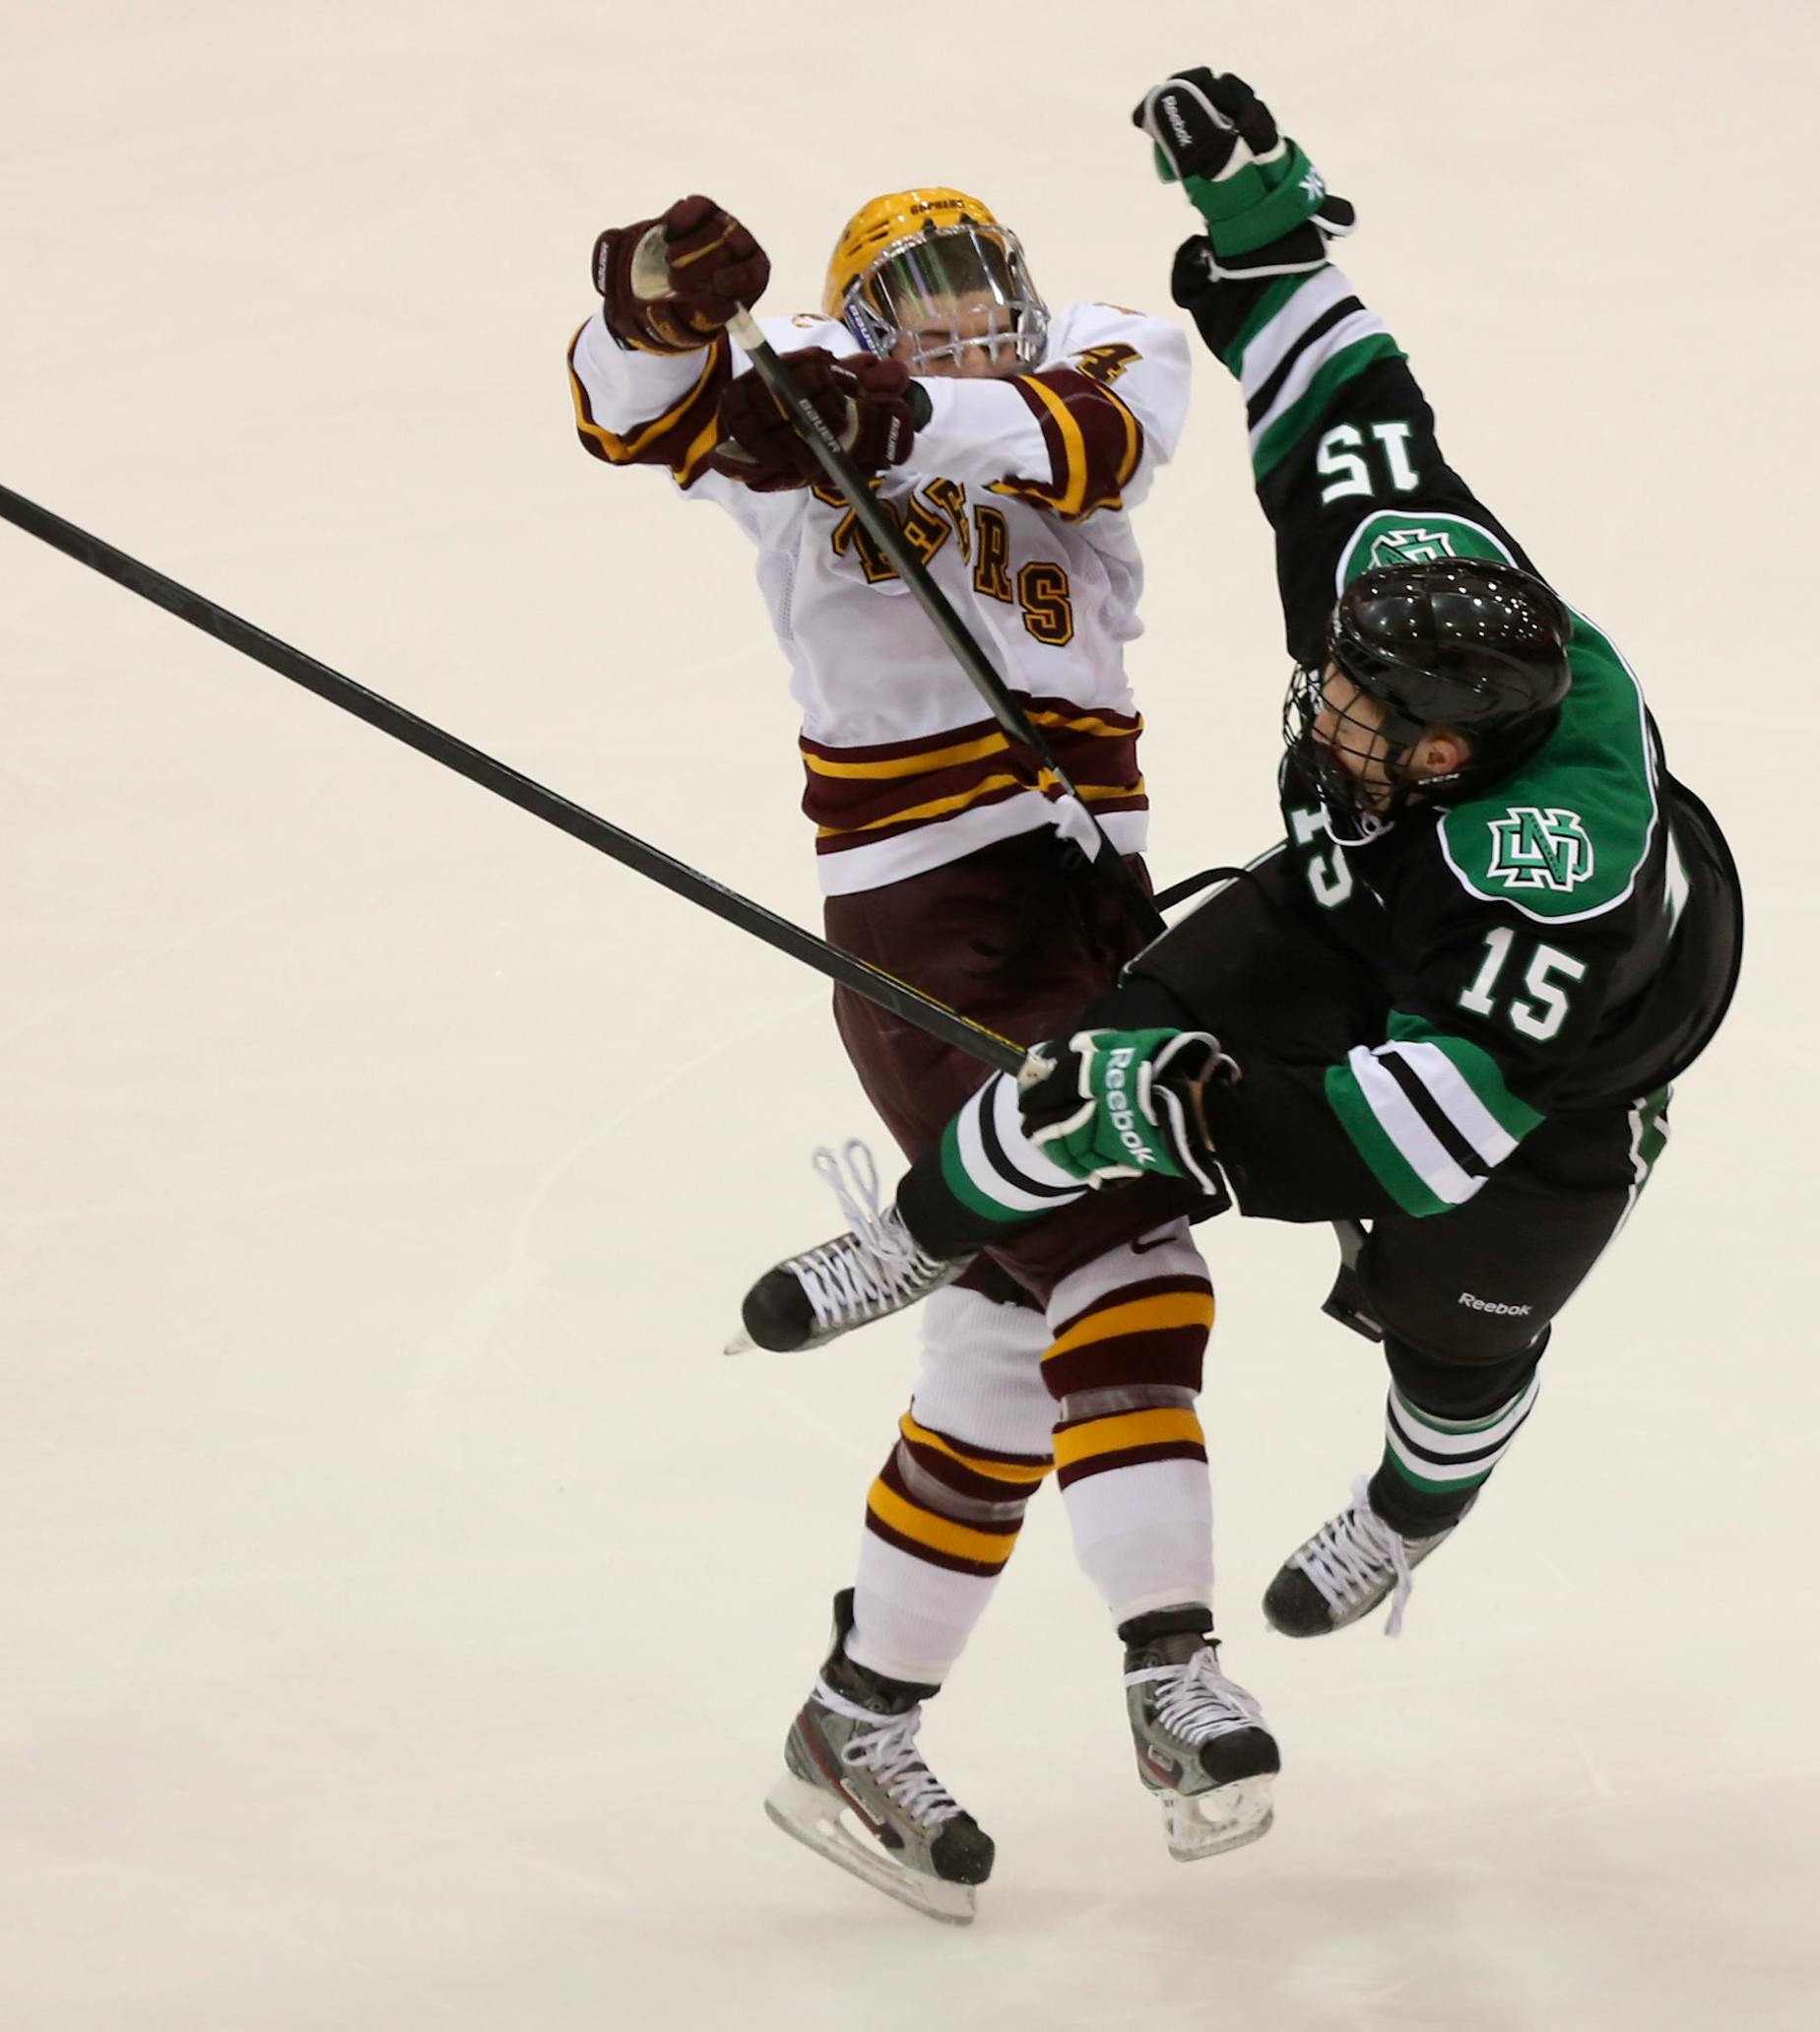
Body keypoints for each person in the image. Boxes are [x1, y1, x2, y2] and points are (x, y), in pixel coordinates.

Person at [739, 71, 1742, 1654]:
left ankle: (1420, 1504)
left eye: (1358, 719)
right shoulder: (1393, 562)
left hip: (1553, 1077)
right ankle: (923, 1231)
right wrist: (1262, 218)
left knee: (1454, 1334)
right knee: (1099, 1051)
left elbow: (1412, 1139)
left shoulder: (1543, 892)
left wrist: (1195, 1117)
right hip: (1364, 894)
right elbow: (1344, 393)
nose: (1318, 715)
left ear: (1442, 756)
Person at [570, 189, 1277, 1922]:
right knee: (1125, 1254)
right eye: (919, 309)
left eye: (980, 292)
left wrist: (892, 414)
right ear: (857, 320)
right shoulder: (799, 378)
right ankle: (1172, 1672)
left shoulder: (1115, 348)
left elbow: (1100, 437)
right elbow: (627, 409)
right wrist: (661, 305)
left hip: (1100, 904)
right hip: (927, 920)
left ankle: (853, 1723)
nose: (959, 322)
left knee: (994, 1342)